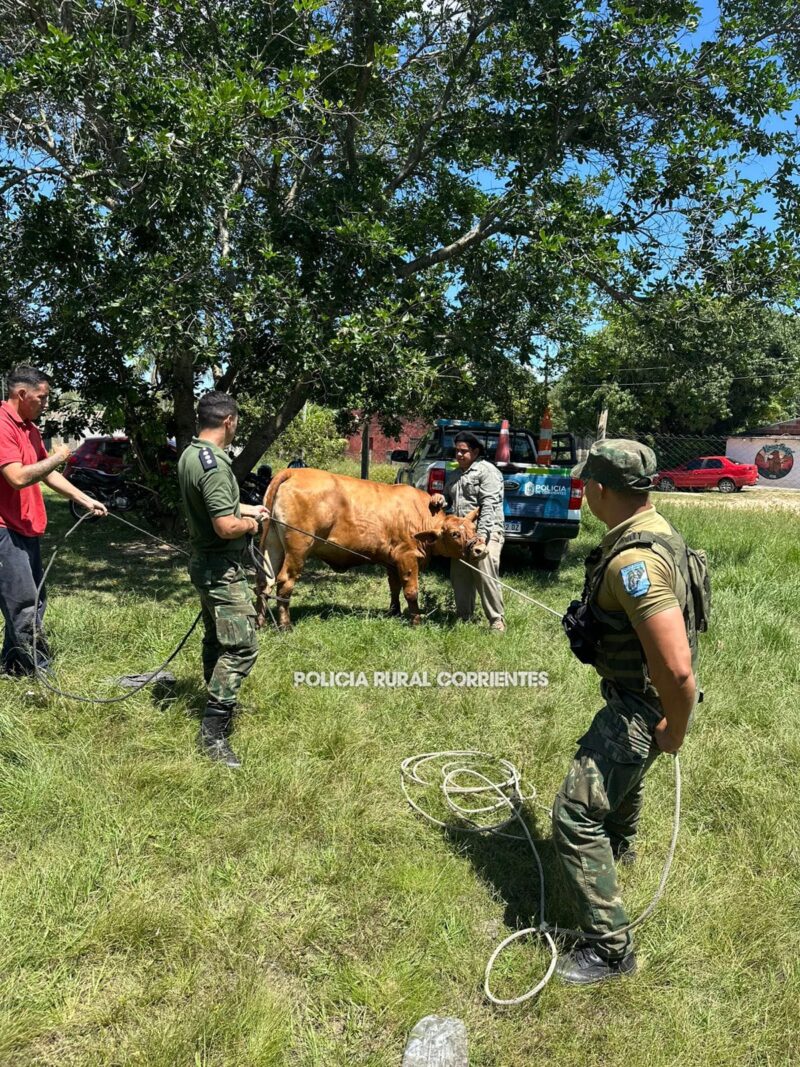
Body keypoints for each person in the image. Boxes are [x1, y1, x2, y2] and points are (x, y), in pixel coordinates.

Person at [554, 440, 700, 984]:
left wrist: (675, 729)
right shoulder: (657, 530)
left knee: (573, 814)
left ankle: (611, 950)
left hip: (642, 707)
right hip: (640, 697)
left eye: (585, 483)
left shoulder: (634, 561)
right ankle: (619, 848)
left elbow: (677, 669)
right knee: (623, 781)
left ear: (599, 488)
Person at [177, 390, 268, 768]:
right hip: (221, 570)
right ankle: (213, 732)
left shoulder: (191, 454)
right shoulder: (214, 465)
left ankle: (214, 697)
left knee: (216, 637)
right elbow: (226, 525)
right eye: (237, 423)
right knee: (242, 646)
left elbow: (219, 504)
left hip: (204, 563)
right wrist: (250, 524)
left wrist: (252, 508)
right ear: (228, 421)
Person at [0, 364, 107, 677]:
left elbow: (46, 473)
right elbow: (18, 477)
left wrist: (84, 499)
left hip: (26, 526)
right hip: (5, 528)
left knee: (34, 601)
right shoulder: (2, 425)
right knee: (24, 605)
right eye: (42, 397)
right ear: (22, 394)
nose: (46, 403)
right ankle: (41, 675)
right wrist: (59, 456)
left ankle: (13, 666)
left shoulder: (29, 427)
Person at [431, 430, 506, 631]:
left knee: (485, 573)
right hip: (461, 536)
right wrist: (440, 498)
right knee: (460, 576)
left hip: (486, 532)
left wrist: (482, 536)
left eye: (463, 451)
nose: (459, 454)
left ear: (475, 452)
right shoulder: (455, 475)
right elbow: (448, 501)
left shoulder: (486, 471)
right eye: (457, 450)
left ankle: (496, 621)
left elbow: (489, 505)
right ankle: (465, 617)